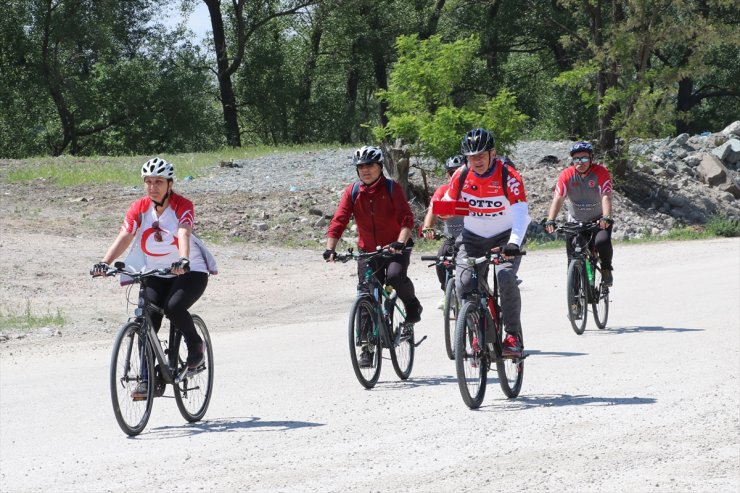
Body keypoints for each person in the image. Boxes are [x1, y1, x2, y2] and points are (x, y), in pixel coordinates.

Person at [91, 157, 218, 399]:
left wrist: (183, 259)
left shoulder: (183, 205)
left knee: (174, 306)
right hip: (156, 271)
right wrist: (104, 263)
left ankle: (195, 345)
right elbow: (126, 235)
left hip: (190, 271)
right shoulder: (139, 207)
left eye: (158, 181)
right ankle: (148, 380)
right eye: (148, 182)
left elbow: (183, 231)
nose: (153, 186)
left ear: (170, 184)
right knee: (147, 321)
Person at [324, 146, 422, 366]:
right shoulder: (353, 191)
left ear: (380, 167)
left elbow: (407, 218)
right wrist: (330, 248)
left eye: (370, 165)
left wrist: (400, 241)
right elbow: (339, 220)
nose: (365, 170)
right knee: (366, 294)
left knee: (395, 277)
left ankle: (413, 305)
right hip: (368, 251)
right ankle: (367, 348)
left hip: (396, 247)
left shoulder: (391, 188)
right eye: (361, 166)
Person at [442, 128, 530, 355]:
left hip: (505, 236)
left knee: (505, 276)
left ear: (493, 153)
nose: (476, 161)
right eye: (471, 157)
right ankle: (476, 334)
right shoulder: (461, 174)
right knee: (462, 283)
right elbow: (448, 201)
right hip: (472, 237)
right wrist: (443, 210)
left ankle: (512, 336)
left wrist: (514, 243)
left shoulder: (508, 176)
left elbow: (521, 213)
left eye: (480, 155)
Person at [544, 141, 614, 286]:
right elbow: (558, 197)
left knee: (602, 242)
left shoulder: (600, 172)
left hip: (598, 219)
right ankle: (574, 295)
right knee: (573, 254)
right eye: (576, 159)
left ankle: (606, 269)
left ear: (591, 159)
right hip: (575, 220)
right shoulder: (567, 174)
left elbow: (606, 195)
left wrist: (606, 217)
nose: (579, 162)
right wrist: (551, 219)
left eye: (583, 158)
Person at [422, 155, 466, 308]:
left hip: (472, 238)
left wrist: (450, 209)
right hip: (452, 238)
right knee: (441, 258)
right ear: (448, 175)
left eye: (459, 172)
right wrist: (427, 227)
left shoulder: (473, 190)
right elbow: (434, 209)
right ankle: (447, 293)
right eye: (452, 172)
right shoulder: (443, 190)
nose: (456, 176)